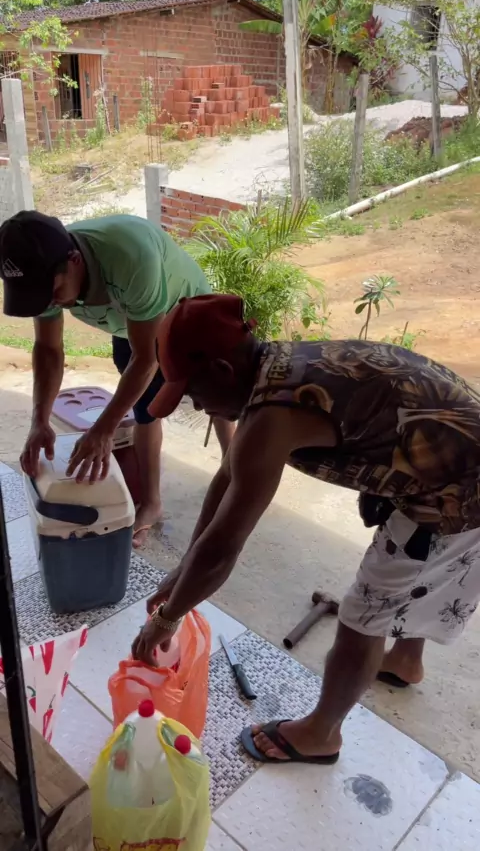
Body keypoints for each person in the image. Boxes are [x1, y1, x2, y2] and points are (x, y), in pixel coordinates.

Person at [132, 292, 480, 765]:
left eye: (192, 392)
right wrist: (181, 572)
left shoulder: (273, 417)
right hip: (449, 458)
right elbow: (228, 477)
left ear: (222, 370)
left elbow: (223, 548)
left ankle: (321, 734)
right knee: (408, 583)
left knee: (363, 616)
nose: (195, 404)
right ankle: (404, 660)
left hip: (458, 494)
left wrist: (167, 618)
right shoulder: (275, 366)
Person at [0, 211, 234, 548]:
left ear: (74, 261)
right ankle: (151, 503)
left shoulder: (130, 258)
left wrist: (103, 430)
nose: (50, 304)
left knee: (214, 394)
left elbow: (147, 358)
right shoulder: (45, 268)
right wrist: (39, 420)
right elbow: (48, 349)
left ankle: (233, 466)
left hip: (185, 308)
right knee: (145, 409)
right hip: (130, 318)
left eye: (53, 293)